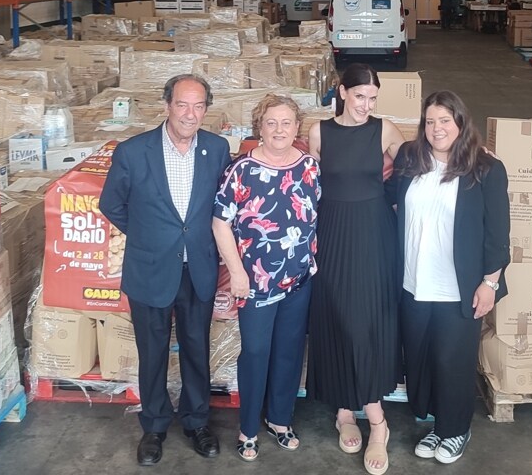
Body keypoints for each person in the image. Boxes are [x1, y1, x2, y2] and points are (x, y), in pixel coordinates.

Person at [99, 74, 232, 466]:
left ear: (206, 109)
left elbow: (223, 207)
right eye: (182, 105)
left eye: (198, 106)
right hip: (150, 268)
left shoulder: (217, 148)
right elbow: (112, 205)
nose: (190, 114)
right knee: (152, 352)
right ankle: (154, 426)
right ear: (166, 105)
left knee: (196, 349)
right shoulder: (133, 152)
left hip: (198, 269)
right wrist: (152, 237)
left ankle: (196, 421)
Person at [386, 90, 510, 465]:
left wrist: (489, 283)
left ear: (460, 121)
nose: (436, 128)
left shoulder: (486, 168)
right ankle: (439, 425)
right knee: (422, 358)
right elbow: (393, 197)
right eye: (429, 121)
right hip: (413, 283)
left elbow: (498, 234)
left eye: (444, 120)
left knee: (452, 362)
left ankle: (456, 429)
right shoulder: (410, 157)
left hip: (459, 288)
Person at [306, 63, 405, 475]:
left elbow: (418, 164)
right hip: (331, 232)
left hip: (373, 233)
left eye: (372, 99)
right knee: (337, 317)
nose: (366, 105)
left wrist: (469, 153)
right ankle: (344, 410)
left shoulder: (384, 130)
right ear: (342, 92)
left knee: (368, 319)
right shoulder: (319, 132)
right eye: (360, 96)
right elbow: (306, 183)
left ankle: (377, 421)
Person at [212, 95, 321, 462]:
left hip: (299, 281)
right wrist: (237, 272)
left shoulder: (309, 166)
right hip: (255, 284)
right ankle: (247, 428)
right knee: (257, 352)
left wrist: (312, 260)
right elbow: (220, 222)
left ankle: (279, 419)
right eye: (271, 123)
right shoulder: (241, 170)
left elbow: (317, 214)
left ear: (296, 127)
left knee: (290, 352)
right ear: (259, 127)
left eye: (286, 122)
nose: (279, 130)